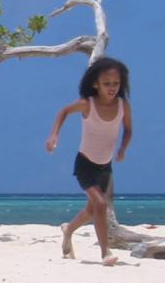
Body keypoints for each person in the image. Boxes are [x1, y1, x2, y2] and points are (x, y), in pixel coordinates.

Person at [45, 57, 133, 266]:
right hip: (85, 164)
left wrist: (122, 149)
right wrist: (54, 135)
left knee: (92, 210)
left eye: (116, 84)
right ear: (96, 84)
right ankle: (105, 253)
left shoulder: (123, 105)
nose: (112, 88)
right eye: (107, 84)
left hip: (105, 166)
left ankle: (68, 229)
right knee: (101, 204)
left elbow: (128, 130)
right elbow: (64, 111)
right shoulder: (88, 104)